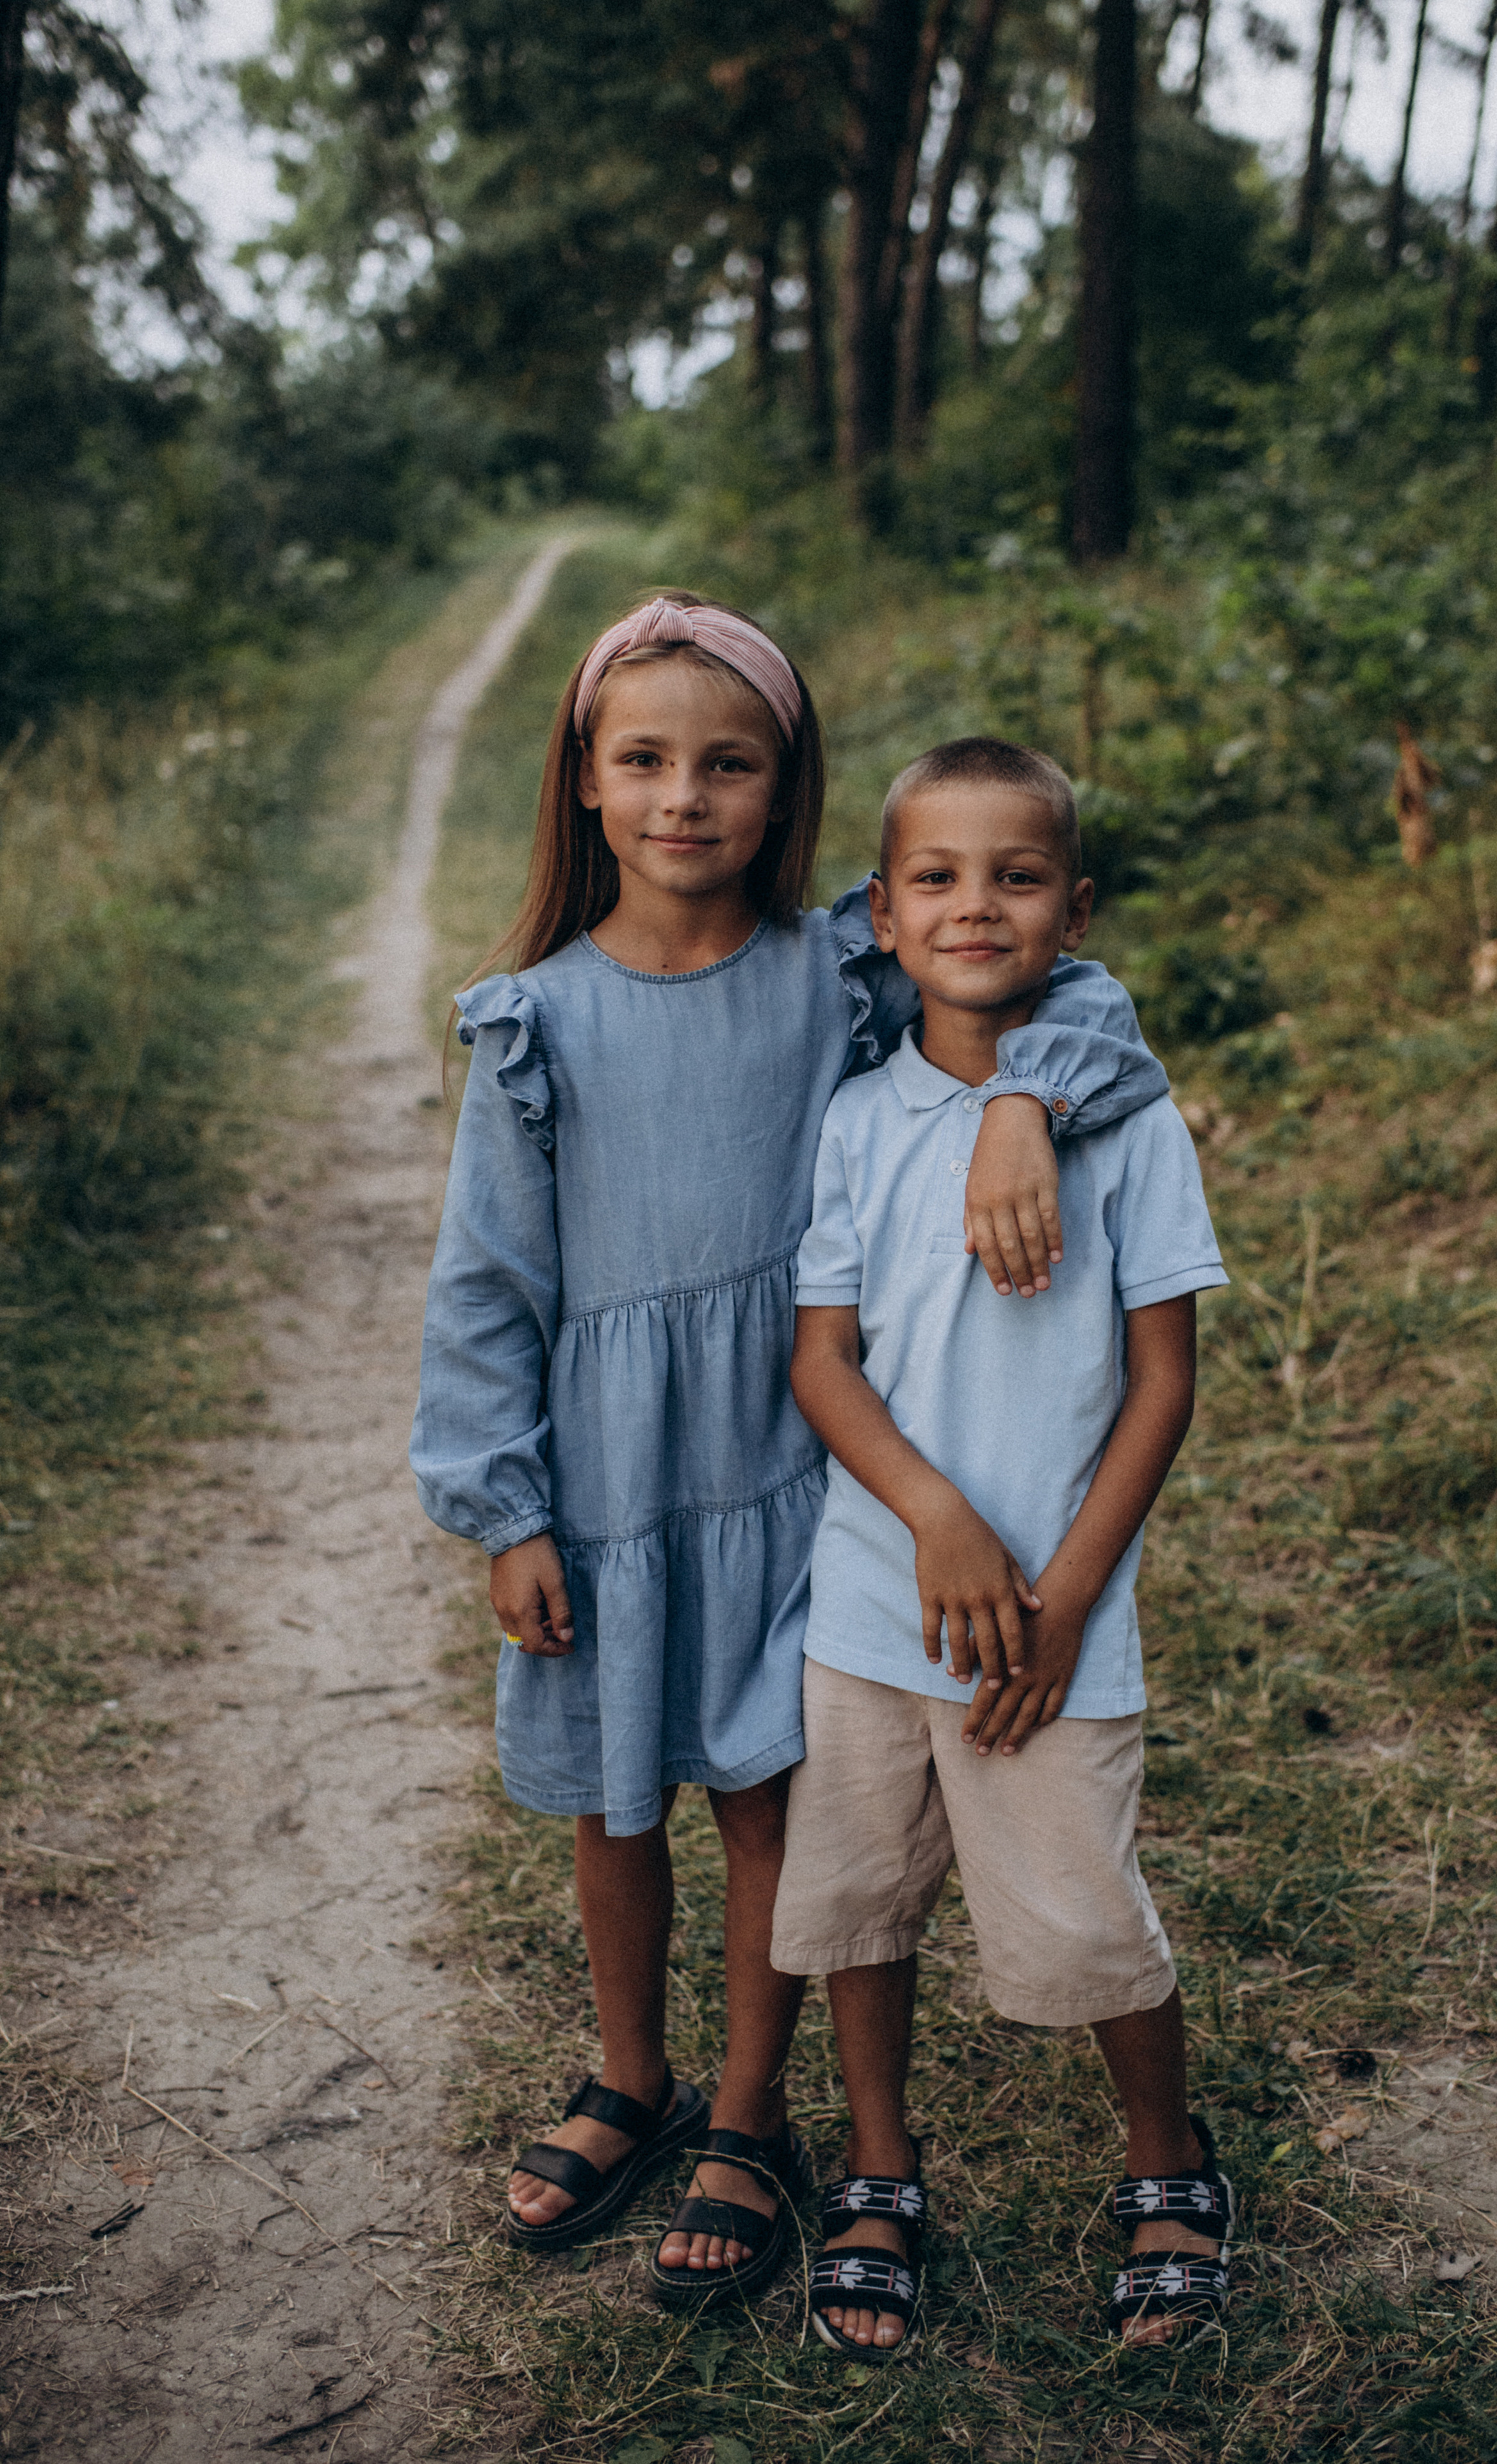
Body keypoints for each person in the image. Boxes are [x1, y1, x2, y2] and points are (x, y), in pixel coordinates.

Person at [409, 599, 1168, 2312]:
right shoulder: (533, 1019)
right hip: (610, 1481)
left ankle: (751, 2116)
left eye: (728, 764)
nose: (685, 797)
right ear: (586, 782)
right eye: (645, 760)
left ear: (785, 786)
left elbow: (1081, 995)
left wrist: (1023, 1101)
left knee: (769, 1797)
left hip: (794, 1468)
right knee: (616, 1799)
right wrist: (506, 1509)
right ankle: (634, 2076)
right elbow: (484, 1284)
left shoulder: (837, 973)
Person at [772, 736, 1234, 2358]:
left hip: (1054, 1615)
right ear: (883, 916)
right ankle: (878, 2172)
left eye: (1017, 876)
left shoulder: (1128, 1125)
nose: (976, 905)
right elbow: (822, 1359)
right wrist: (936, 1515)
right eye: (937, 877)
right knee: (860, 1898)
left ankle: (1167, 2164)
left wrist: (1068, 1593)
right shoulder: (852, 1120)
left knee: (1085, 1910)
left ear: (1074, 911)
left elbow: (1162, 1380)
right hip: (868, 1597)